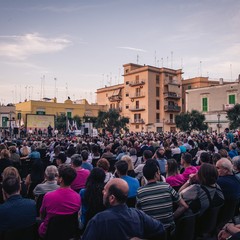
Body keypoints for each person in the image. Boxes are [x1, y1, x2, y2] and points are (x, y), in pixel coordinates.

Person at [81, 178, 165, 240]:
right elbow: (161, 230)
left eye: (105, 190)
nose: (102, 192)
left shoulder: (98, 221)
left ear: (112, 198)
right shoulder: (139, 215)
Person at [136, 159, 188, 231]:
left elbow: (138, 214)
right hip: (169, 231)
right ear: (156, 174)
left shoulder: (140, 192)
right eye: (158, 172)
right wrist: (172, 217)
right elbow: (184, 206)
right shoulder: (166, 186)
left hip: (151, 231)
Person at [39, 165, 81, 238]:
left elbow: (42, 215)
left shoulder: (48, 196)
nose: (56, 178)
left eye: (57, 176)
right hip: (69, 233)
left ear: (61, 179)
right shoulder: (78, 197)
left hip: (49, 233)